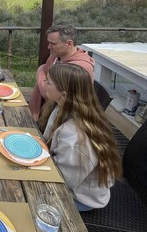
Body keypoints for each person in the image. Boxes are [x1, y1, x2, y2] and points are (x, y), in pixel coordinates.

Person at [38, 63, 121, 211]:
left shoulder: (75, 138)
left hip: (81, 198)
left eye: (48, 82)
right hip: (67, 173)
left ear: (63, 94)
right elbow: (47, 142)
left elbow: (62, 181)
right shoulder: (61, 107)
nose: (44, 83)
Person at [29, 23, 94, 120]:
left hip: (65, 118)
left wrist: (40, 71)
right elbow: (45, 71)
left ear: (69, 44)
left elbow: (51, 96)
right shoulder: (55, 55)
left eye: (53, 43)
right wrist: (43, 71)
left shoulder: (79, 68)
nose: (49, 47)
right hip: (48, 112)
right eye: (49, 42)